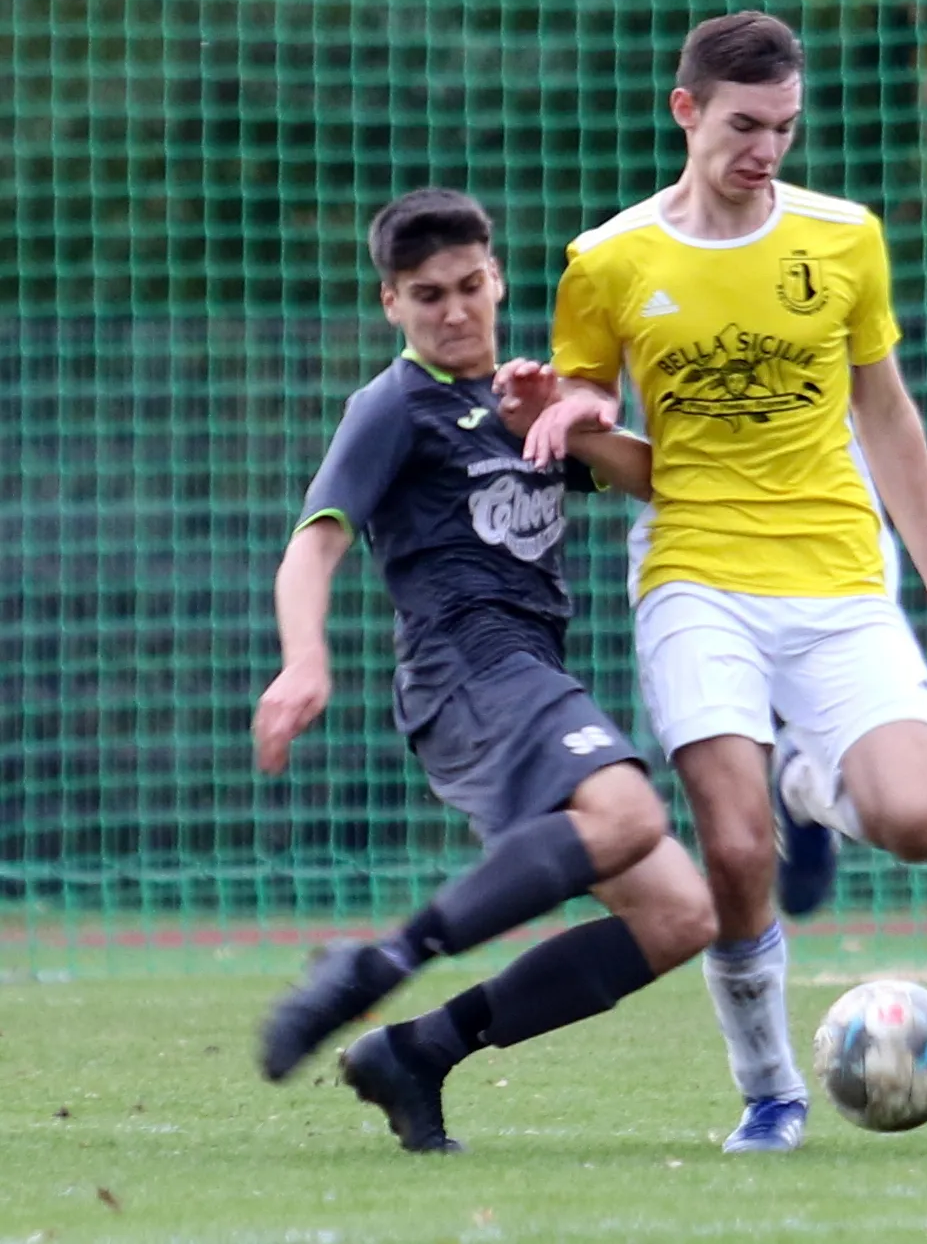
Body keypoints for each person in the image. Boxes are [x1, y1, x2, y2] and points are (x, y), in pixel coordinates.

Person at [510, 11, 927, 1153]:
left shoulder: (843, 238)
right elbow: (595, 420)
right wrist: (564, 414)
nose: (767, 149)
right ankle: (772, 1090)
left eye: (784, 126)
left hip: (837, 567)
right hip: (695, 570)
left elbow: (885, 412)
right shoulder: (608, 261)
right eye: (744, 125)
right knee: (734, 852)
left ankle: (808, 788)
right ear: (685, 110)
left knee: (920, 821)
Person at [251, 188, 717, 1152]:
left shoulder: (522, 393)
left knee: (680, 914)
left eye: (470, 286)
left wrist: (569, 420)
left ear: (497, 278)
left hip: (524, 672)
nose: (456, 311)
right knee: (629, 814)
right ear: (392, 302)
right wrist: (303, 659)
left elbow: (663, 480)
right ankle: (381, 961)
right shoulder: (392, 406)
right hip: (467, 670)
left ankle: (418, 1050)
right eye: (428, 296)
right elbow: (313, 544)